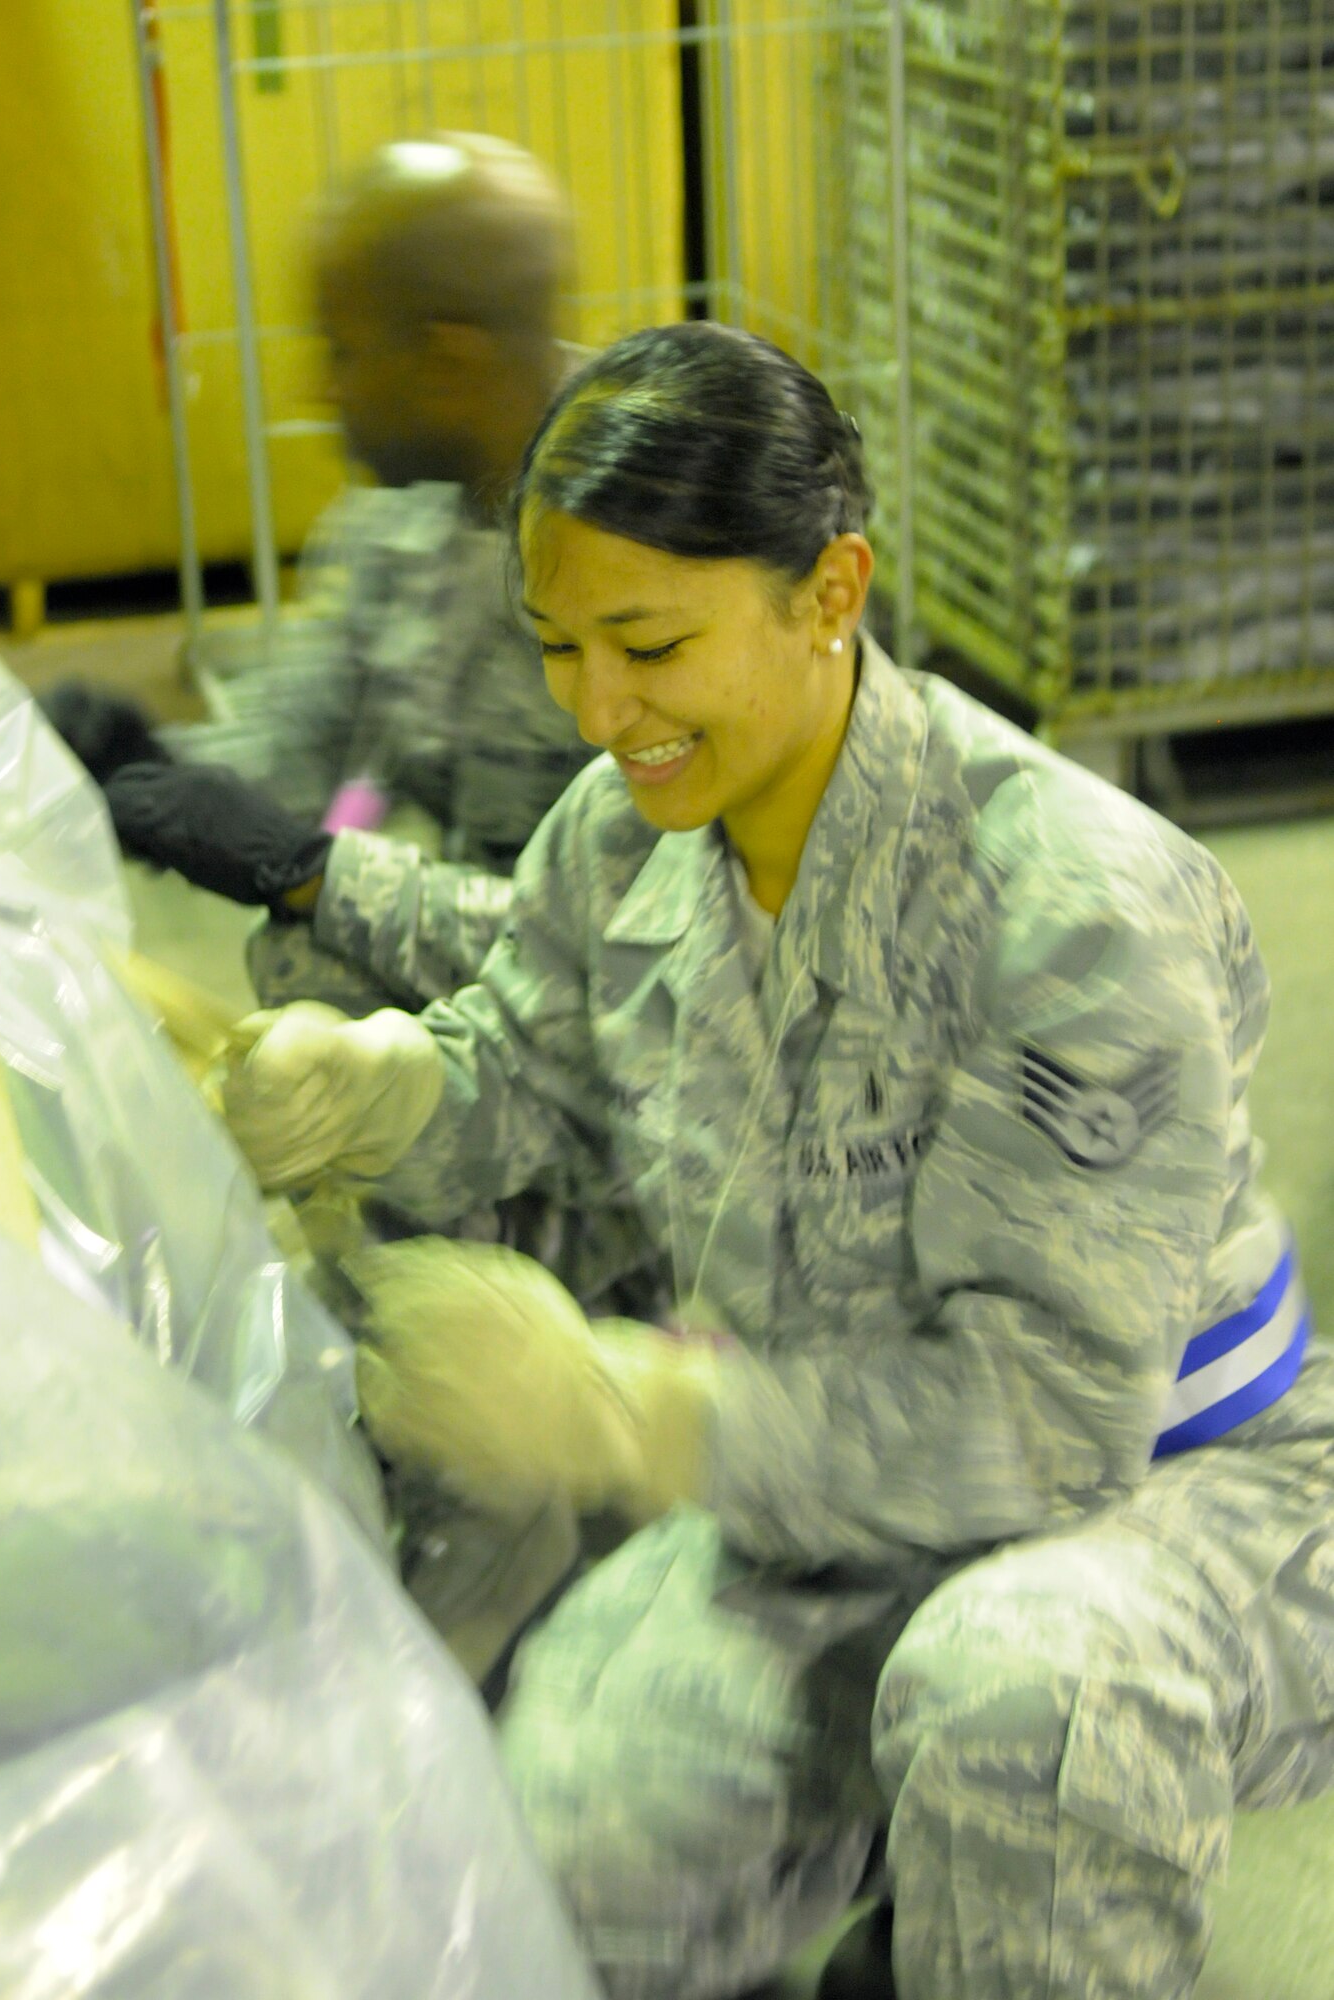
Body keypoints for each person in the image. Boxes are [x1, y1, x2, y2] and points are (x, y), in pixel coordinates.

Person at [217, 321, 1334, 2000]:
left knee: (1018, 1707)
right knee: (556, 1856)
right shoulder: (623, 833)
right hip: (814, 1489)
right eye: (556, 649)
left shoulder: (1072, 903)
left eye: (649, 644)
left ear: (827, 593)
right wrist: (383, 1087)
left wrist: (625, 1412)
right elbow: (535, 1063)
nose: (601, 711)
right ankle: (899, 1899)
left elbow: (1042, 1422)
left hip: (1169, 1492)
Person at [46, 132, 593, 1016]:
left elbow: (637, 947)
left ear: (448, 362)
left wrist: (322, 877)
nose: (319, 392)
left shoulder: (657, 563)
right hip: (524, 958)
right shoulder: (400, 521)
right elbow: (308, 742)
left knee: (314, 970)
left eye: (342, 352)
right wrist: (127, 770)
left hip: (685, 1040)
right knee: (305, 962)